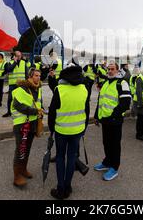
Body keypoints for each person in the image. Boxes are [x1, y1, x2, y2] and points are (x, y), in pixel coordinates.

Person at [48, 65, 90, 199]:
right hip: (77, 130)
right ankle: (68, 186)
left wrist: (51, 129)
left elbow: (52, 113)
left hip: (61, 130)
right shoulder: (84, 89)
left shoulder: (59, 89)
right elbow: (87, 110)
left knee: (60, 157)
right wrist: (84, 128)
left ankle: (61, 189)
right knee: (72, 158)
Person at [94, 62, 131, 181]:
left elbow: (125, 103)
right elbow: (101, 100)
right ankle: (107, 162)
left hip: (114, 121)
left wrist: (114, 116)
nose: (110, 71)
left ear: (117, 70)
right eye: (108, 69)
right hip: (105, 120)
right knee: (106, 143)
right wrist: (96, 116)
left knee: (115, 145)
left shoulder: (122, 83)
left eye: (112, 69)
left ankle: (114, 168)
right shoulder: (106, 83)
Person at [11, 68, 44, 188]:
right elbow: (19, 106)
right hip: (21, 125)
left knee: (27, 148)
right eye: (36, 75)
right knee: (20, 149)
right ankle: (17, 176)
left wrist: (41, 111)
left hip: (32, 123)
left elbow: (39, 103)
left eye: (39, 76)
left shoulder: (37, 89)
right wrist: (36, 111)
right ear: (29, 77)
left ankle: (23, 169)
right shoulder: (21, 90)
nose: (38, 78)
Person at [4, 50, 30, 117]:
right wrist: (15, 62)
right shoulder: (10, 62)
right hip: (12, 84)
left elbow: (26, 74)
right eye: (17, 56)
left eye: (20, 56)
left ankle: (22, 110)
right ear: (14, 56)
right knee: (10, 98)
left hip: (21, 84)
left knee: (22, 98)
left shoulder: (24, 63)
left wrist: (27, 82)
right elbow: (9, 70)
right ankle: (9, 112)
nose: (19, 57)